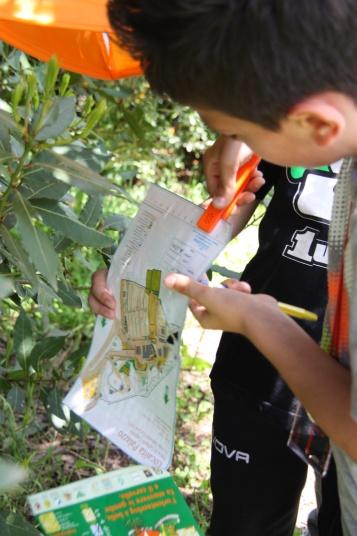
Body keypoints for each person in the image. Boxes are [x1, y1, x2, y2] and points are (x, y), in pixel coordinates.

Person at [106, 2, 357, 535]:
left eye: (238, 127)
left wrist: (259, 322)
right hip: (261, 376)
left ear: (315, 123)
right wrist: (138, 267)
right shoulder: (313, 93)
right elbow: (234, 197)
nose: (240, 150)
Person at [88, 155, 342, 535]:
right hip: (258, 364)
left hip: (346, 381)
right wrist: (143, 266)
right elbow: (231, 200)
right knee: (244, 523)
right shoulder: (288, 110)